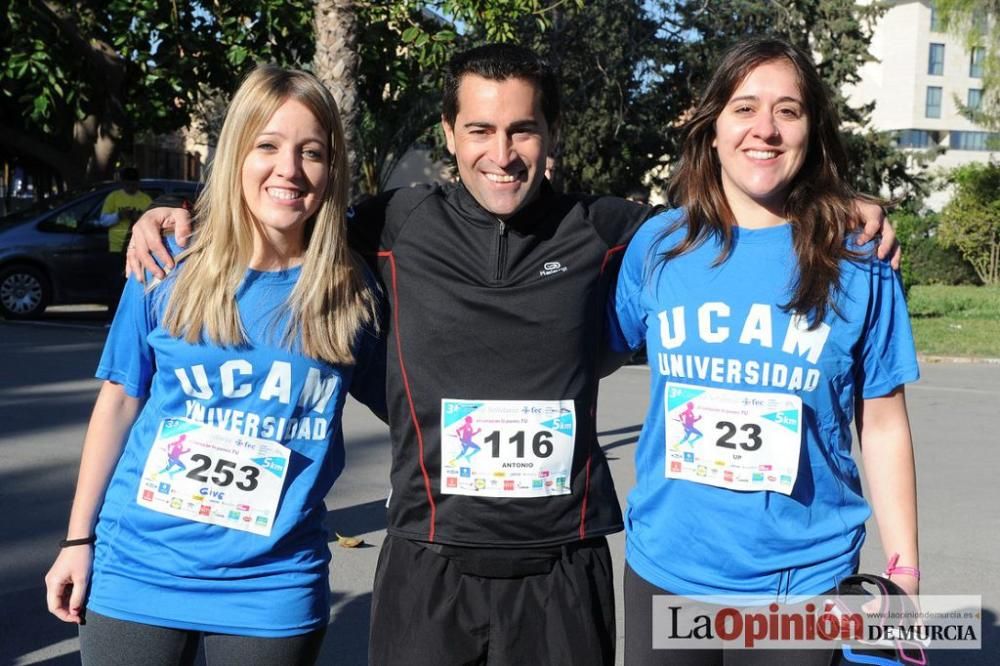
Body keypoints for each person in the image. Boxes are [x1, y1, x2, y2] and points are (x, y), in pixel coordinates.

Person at [125, 44, 898, 665]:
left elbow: (734, 215)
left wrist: (838, 205)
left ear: (550, 137)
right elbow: (286, 206)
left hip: (564, 567)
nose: (503, 153)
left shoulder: (613, 231)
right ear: (451, 136)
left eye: (522, 130)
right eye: (481, 131)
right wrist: (178, 214)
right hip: (429, 562)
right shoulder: (394, 224)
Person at [44, 64, 383, 666]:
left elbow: (414, 402)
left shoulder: (353, 292)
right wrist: (77, 539)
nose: (290, 169)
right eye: (268, 146)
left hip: (273, 585)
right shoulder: (165, 267)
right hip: (138, 569)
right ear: (235, 155)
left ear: (333, 169)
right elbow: (119, 403)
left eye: (312, 152)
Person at [613, 38, 919, 665]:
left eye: (788, 111)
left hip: (801, 587)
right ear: (713, 127)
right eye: (745, 108)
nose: (766, 130)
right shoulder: (658, 248)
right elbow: (579, 359)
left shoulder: (859, 260)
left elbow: (883, 424)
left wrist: (904, 572)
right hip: (668, 570)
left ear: (812, 130)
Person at [98, 167, 153, 315]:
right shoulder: (114, 197)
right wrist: (119, 215)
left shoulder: (145, 199)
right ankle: (113, 315)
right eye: (128, 183)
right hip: (116, 247)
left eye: (134, 184)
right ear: (122, 183)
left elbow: (151, 222)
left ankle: (133, 314)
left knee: (135, 283)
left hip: (138, 247)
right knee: (115, 284)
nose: (131, 187)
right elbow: (103, 221)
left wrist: (138, 217)